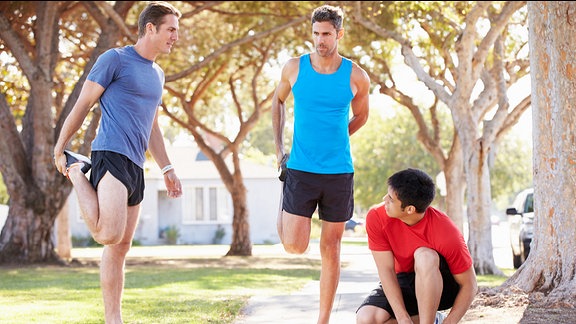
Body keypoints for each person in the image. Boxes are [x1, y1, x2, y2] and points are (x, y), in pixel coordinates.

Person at [53, 2, 182, 323]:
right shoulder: (115, 59)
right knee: (108, 234)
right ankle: (76, 171)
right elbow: (84, 103)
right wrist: (60, 147)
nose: (175, 37)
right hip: (110, 152)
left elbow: (152, 125)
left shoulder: (158, 74)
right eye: (170, 29)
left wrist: (167, 168)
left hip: (136, 165)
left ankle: (114, 319)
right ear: (150, 28)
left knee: (120, 247)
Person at [271, 4, 370, 324]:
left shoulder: (356, 75)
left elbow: (362, 114)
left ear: (339, 34)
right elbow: (278, 101)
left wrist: (340, 136)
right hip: (300, 168)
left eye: (326, 34)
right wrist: (279, 149)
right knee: (294, 246)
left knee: (332, 248)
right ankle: (284, 206)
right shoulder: (294, 68)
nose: (320, 40)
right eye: (315, 34)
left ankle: (323, 319)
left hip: (339, 171)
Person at [356, 168, 478, 324]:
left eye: (391, 199)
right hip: (404, 281)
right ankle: (433, 320)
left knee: (424, 256)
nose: (384, 199)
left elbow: (470, 284)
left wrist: (450, 322)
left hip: (439, 286)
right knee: (367, 320)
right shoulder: (376, 217)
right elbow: (386, 270)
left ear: (409, 209)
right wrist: (402, 318)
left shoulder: (446, 231)